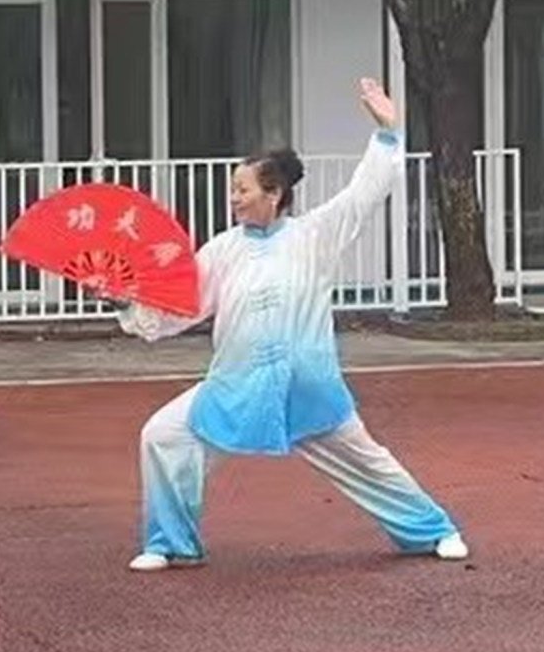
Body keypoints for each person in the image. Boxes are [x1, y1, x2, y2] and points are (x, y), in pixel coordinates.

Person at [107, 79, 469, 572]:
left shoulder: (314, 236)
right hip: (235, 386)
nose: (233, 198)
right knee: (164, 436)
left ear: (274, 193)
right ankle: (172, 543)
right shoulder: (223, 249)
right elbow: (180, 306)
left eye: (243, 189)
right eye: (232, 189)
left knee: (368, 461)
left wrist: (388, 133)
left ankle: (434, 530)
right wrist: (130, 302)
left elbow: (363, 195)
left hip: (307, 385)